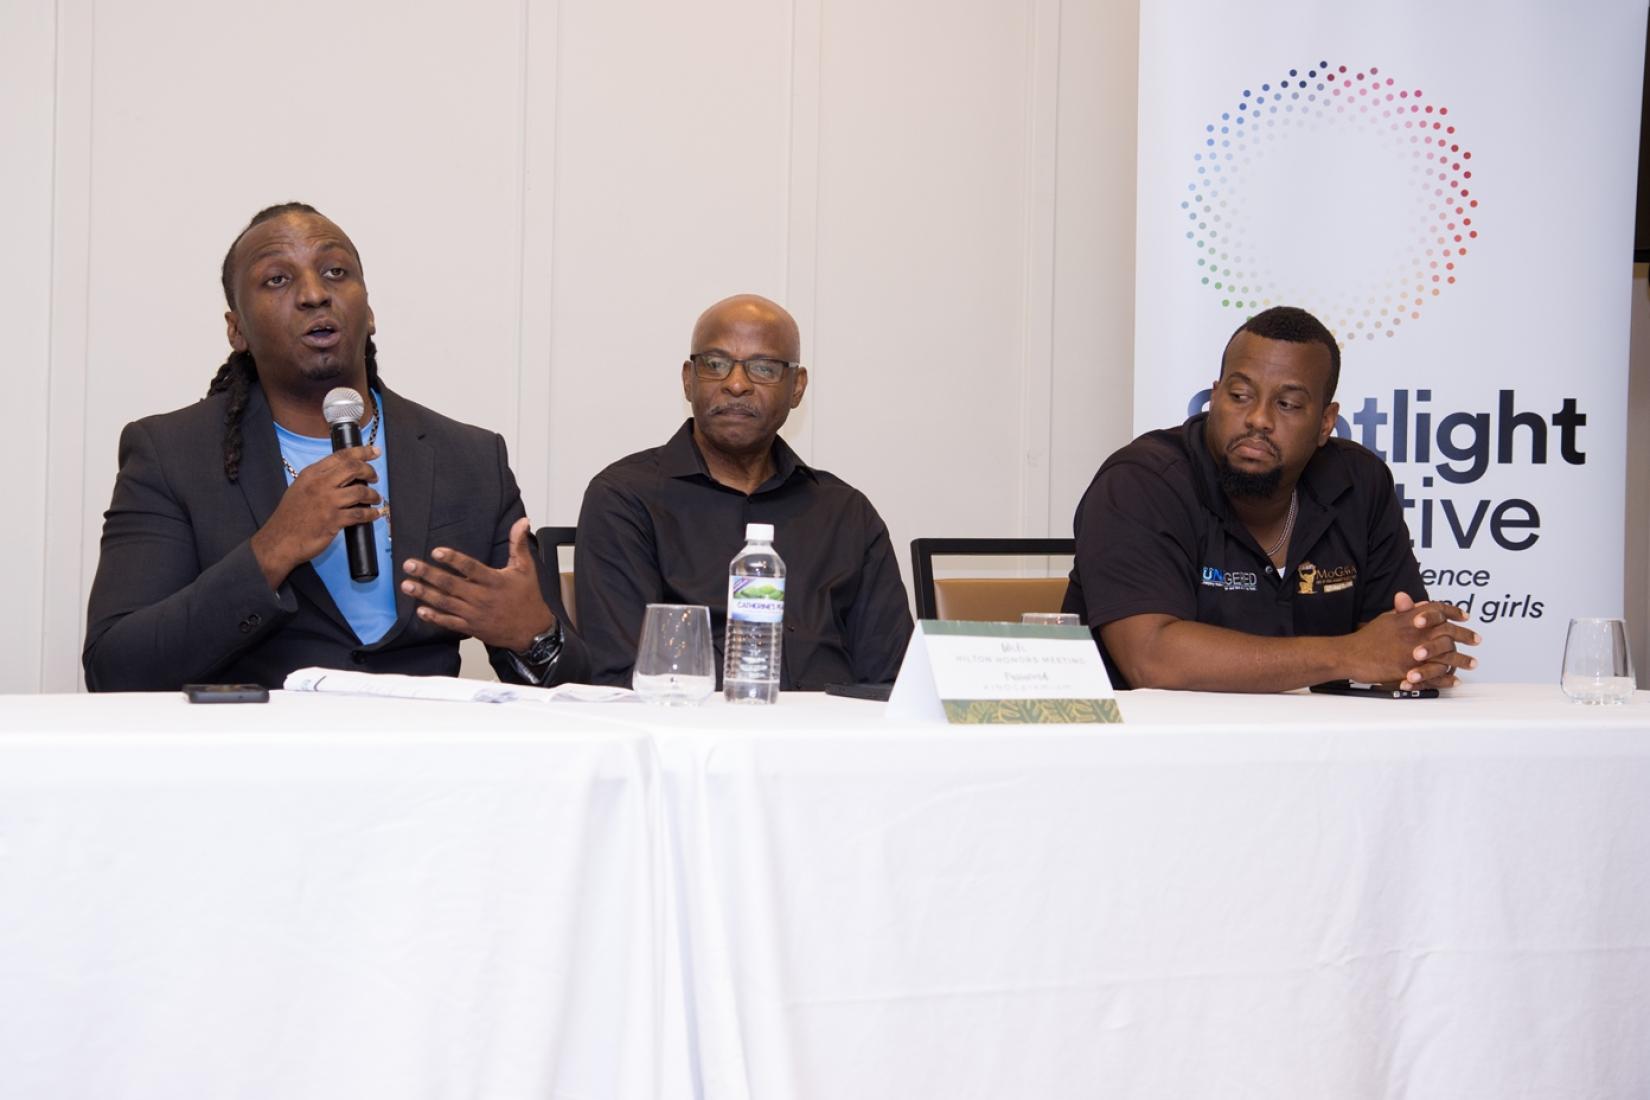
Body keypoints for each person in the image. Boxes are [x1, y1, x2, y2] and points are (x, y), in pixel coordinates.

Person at [83, 202, 582, 691]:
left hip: (424, 758)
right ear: (237, 329)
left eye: (335, 271)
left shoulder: (470, 458)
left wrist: (534, 635)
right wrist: (273, 548)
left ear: (368, 312)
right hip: (257, 757)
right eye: (277, 279)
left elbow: (582, 687)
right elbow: (115, 667)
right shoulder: (170, 454)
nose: (314, 294)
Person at [1062, 305, 1480, 692]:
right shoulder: (1141, 484)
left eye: (1287, 404)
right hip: (1152, 757)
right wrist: (1348, 654)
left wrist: (1417, 654)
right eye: (1239, 395)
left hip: (1320, 754)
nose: (1258, 419)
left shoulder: (1360, 484)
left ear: (1325, 423)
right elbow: (1151, 660)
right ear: (1215, 395)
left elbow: (1393, 643)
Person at [574, 293, 912, 689]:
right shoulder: (624, 499)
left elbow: (894, 680)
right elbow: (624, 676)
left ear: (797, 387)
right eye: (715, 365)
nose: (736, 384)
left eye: (764, 368)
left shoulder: (846, 513)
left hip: (831, 740)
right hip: (692, 741)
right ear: (688, 379)